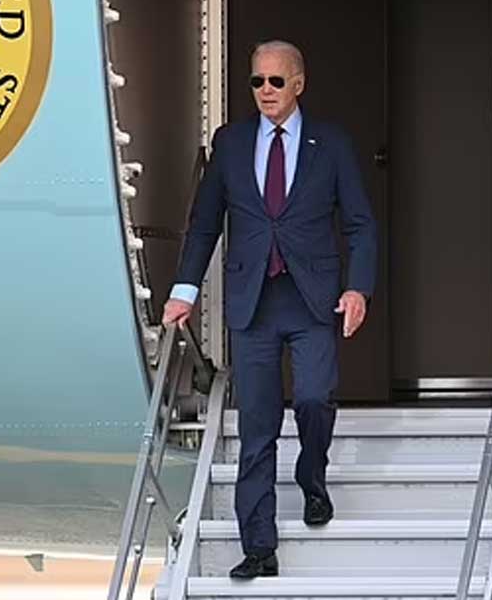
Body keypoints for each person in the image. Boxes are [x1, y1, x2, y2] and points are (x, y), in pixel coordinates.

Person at [162, 40, 377, 579]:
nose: (264, 92)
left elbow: (359, 224)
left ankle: (312, 476)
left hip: (311, 298)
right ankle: (258, 546)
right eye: (257, 82)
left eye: (275, 82)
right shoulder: (231, 143)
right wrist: (184, 289)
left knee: (311, 398)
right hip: (252, 300)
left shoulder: (330, 143)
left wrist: (359, 289)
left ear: (298, 83)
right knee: (256, 425)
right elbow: (206, 221)